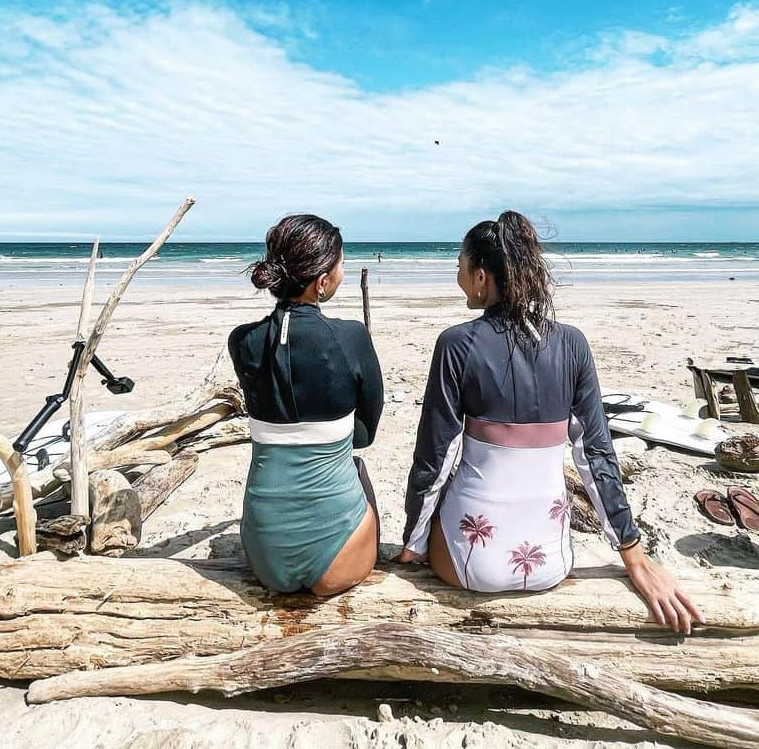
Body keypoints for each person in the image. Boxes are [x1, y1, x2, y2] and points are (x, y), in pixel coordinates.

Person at [397, 211, 702, 634]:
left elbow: (436, 457)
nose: (459, 278)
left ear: (482, 277)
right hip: (549, 564)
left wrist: (412, 543)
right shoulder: (572, 344)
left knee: (448, 493)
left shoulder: (456, 345)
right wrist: (633, 554)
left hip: (470, 565)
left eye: (461, 269)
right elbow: (596, 457)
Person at [230, 214, 384, 596]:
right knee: (356, 466)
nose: (343, 273)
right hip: (340, 558)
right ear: (323, 281)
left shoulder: (242, 341)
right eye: (341, 265)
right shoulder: (351, 337)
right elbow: (365, 434)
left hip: (264, 553)